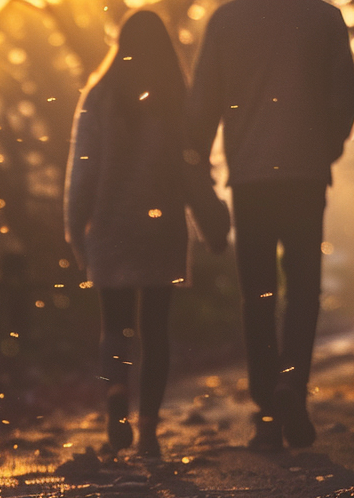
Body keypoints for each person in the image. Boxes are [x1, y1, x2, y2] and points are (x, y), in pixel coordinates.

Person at [188, 0, 354, 449]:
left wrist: (201, 182)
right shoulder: (323, 17)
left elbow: (202, 109)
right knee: (304, 290)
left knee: (258, 296)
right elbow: (346, 99)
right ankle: (292, 390)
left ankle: (267, 411)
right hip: (305, 177)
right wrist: (325, 150)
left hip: (250, 180)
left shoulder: (226, 20)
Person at [65, 10, 230, 458]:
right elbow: (193, 172)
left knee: (114, 327)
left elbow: (82, 171)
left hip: (110, 228)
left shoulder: (98, 97)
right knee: (156, 332)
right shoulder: (177, 100)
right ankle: (150, 431)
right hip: (160, 231)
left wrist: (75, 230)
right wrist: (214, 222)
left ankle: (116, 395)